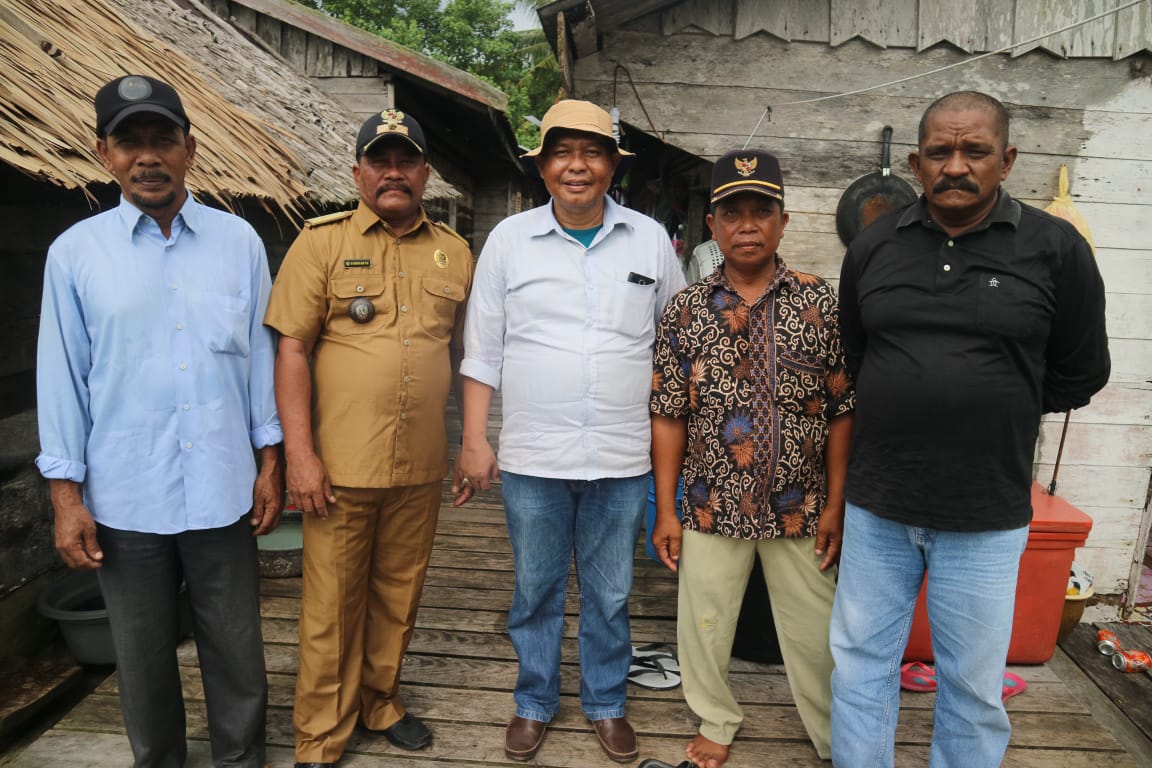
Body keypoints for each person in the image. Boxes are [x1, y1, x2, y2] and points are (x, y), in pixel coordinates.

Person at [830, 91, 1110, 767]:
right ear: (916, 163)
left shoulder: (1056, 249)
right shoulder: (873, 246)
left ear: (1006, 160)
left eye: (974, 151)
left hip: (985, 511)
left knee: (973, 683)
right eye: (940, 152)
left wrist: (995, 405)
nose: (956, 166)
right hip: (879, 504)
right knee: (861, 663)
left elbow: (1081, 372)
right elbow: (858, 355)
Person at [36, 74, 283, 768]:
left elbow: (260, 362)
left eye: (162, 140)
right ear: (104, 154)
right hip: (125, 494)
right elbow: (61, 378)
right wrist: (65, 497)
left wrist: (270, 462)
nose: (148, 157)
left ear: (189, 149)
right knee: (142, 656)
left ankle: (241, 758)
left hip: (223, 487)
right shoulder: (75, 254)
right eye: (130, 143)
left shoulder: (238, 244)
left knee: (236, 646)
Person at [456, 99, 686, 763]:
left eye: (592, 152)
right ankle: (534, 701)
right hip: (534, 456)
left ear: (613, 165)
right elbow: (482, 349)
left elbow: (675, 344)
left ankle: (606, 702)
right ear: (542, 166)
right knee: (536, 589)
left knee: (611, 593)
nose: (577, 166)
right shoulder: (508, 240)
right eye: (562, 152)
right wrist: (474, 440)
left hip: (623, 455)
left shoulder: (648, 240)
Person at [265, 109, 473, 768]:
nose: (393, 172)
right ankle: (321, 736)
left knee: (399, 594)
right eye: (379, 161)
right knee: (331, 607)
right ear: (358, 173)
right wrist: (299, 456)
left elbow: (463, 355)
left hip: (420, 464)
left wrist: (469, 442)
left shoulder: (455, 251)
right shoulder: (320, 243)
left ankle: (380, 700)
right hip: (340, 467)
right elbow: (291, 352)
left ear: (425, 174)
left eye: (405, 160)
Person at [650, 149, 854, 768]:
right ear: (712, 225)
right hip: (711, 503)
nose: (747, 225)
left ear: (783, 222)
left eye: (760, 212)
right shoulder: (686, 311)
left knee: (818, 634)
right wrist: (667, 510)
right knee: (705, 625)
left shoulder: (820, 303)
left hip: (801, 506)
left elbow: (843, 408)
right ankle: (715, 718)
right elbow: (668, 413)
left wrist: (837, 502)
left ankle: (836, 736)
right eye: (732, 213)